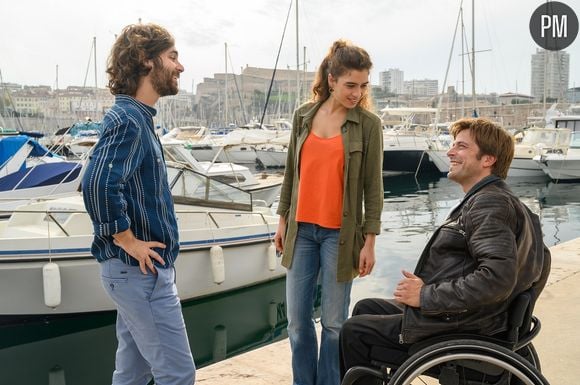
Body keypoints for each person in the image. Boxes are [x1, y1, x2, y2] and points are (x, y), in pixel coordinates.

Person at [339, 117, 551, 384]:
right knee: (366, 306)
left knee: (354, 331)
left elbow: (496, 279)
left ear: (488, 159)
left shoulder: (489, 205)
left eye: (461, 146)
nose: (450, 152)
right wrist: (428, 286)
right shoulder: (496, 199)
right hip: (482, 319)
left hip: (467, 329)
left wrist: (426, 295)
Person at [82, 23, 196, 385]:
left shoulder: (138, 118)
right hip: (139, 274)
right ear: (147, 62)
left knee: (132, 374)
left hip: (134, 275)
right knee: (178, 375)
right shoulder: (130, 120)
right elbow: (98, 184)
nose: (180, 66)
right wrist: (126, 239)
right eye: (173, 57)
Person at [273, 39, 384, 385]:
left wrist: (369, 242)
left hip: (340, 235)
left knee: (334, 324)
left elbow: (373, 188)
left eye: (363, 85)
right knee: (296, 322)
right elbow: (292, 173)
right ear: (332, 79)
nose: (357, 92)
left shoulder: (367, 125)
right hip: (301, 231)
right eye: (351, 84)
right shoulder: (302, 116)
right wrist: (281, 221)